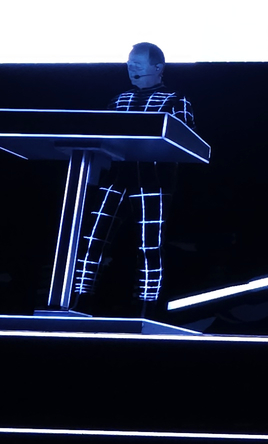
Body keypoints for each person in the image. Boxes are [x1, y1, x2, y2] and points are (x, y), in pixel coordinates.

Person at [72, 42, 193, 310]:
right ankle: (79, 301)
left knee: (149, 244)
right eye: (129, 63)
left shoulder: (175, 99)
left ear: (158, 67)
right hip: (116, 176)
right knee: (92, 238)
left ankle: (148, 306)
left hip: (153, 179)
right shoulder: (118, 100)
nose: (131, 68)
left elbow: (185, 140)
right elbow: (100, 136)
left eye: (137, 63)